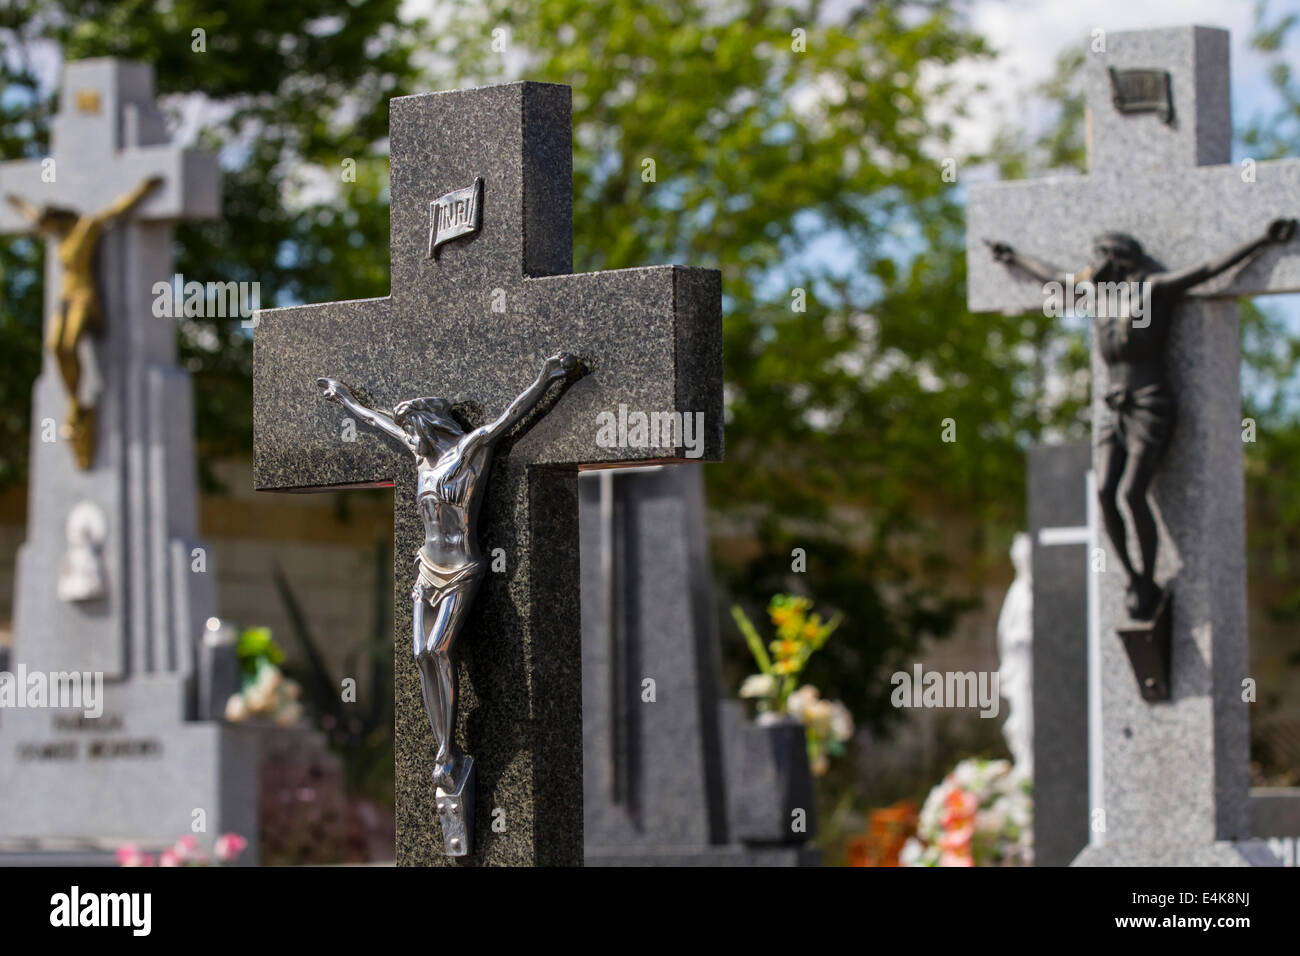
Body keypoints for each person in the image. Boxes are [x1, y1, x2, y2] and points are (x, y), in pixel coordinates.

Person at [987, 219, 1296, 620]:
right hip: (1111, 407)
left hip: (1149, 402)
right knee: (1103, 492)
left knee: (1133, 492)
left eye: (1097, 257)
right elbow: (1053, 277)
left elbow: (1206, 270)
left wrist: (1262, 239)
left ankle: (1147, 574)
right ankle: (1133, 576)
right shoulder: (1097, 298)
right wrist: (1015, 258)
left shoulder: (1152, 291)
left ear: (1117, 259)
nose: (1089, 266)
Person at [318, 351, 580, 793]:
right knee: (420, 654)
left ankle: (445, 752)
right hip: (427, 568)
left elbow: (509, 416)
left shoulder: (470, 450)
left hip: (461, 569)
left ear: (427, 425)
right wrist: (345, 399)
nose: (408, 439)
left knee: (439, 650)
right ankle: (444, 746)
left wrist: (547, 377)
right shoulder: (421, 460)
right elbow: (377, 421)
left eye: (412, 431)